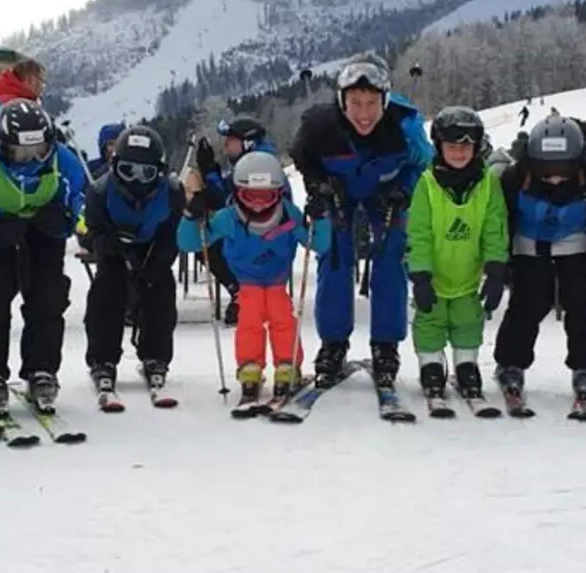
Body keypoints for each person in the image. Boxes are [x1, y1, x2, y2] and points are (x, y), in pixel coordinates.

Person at [288, 55, 432, 391]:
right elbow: (302, 157)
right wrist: (318, 186)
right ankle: (334, 344)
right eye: (355, 104)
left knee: (391, 256)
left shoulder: (404, 128)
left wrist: (402, 190)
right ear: (342, 101)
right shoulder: (321, 127)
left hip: (384, 194)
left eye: (371, 103)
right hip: (341, 192)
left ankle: (386, 346)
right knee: (334, 255)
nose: (364, 114)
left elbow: (422, 164)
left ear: (385, 101)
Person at [493, 114, 586, 418]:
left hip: (574, 247)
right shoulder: (517, 177)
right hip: (529, 247)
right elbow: (498, 215)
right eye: (547, 170)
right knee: (526, 306)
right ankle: (510, 362)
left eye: (562, 170)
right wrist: (500, 259)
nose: (555, 178)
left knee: (581, 306)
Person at [0, 97, 86, 418]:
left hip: (45, 229)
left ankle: (41, 368)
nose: (31, 159)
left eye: (39, 151)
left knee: (48, 295)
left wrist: (63, 220)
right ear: (3, 146)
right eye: (21, 152)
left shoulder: (65, 162)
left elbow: (75, 206)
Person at [179, 151, 328, 414]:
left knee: (282, 317)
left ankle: (286, 365)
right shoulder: (228, 218)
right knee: (249, 320)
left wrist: (321, 218)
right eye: (251, 197)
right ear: (238, 194)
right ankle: (250, 366)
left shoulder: (288, 215)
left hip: (276, 282)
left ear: (278, 193)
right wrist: (192, 216)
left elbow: (318, 243)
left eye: (266, 197)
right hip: (246, 283)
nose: (259, 206)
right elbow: (190, 243)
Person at [405, 107, 509, 416]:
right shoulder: (427, 184)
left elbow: (495, 227)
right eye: (452, 146)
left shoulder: (488, 184)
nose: (459, 152)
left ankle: (467, 368)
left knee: (468, 322)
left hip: (468, 277)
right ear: (439, 147)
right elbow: (419, 231)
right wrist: (420, 275)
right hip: (434, 276)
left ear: (477, 147)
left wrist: (496, 269)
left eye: (466, 146)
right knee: (430, 323)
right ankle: (432, 370)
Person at [80, 125, 183, 410]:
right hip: (116, 248)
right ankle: (102, 358)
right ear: (115, 166)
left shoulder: (172, 192)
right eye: (128, 170)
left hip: (153, 247)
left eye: (146, 173)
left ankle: (156, 355)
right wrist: (110, 244)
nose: (137, 181)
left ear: (159, 171)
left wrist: (154, 265)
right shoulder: (100, 191)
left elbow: (172, 234)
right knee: (106, 294)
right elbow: (93, 230)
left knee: (160, 294)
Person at [192, 116, 282, 325]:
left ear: (248, 143)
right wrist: (211, 171)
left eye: (231, 141)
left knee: (209, 242)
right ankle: (242, 292)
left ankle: (243, 293)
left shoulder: (259, 166)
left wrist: (209, 172)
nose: (226, 146)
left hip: (264, 235)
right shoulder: (252, 162)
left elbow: (230, 200)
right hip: (256, 230)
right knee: (209, 239)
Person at [0, 57, 46, 142]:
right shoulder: (14, 105)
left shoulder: (4, 99)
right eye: (42, 81)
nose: (42, 87)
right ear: (31, 80)